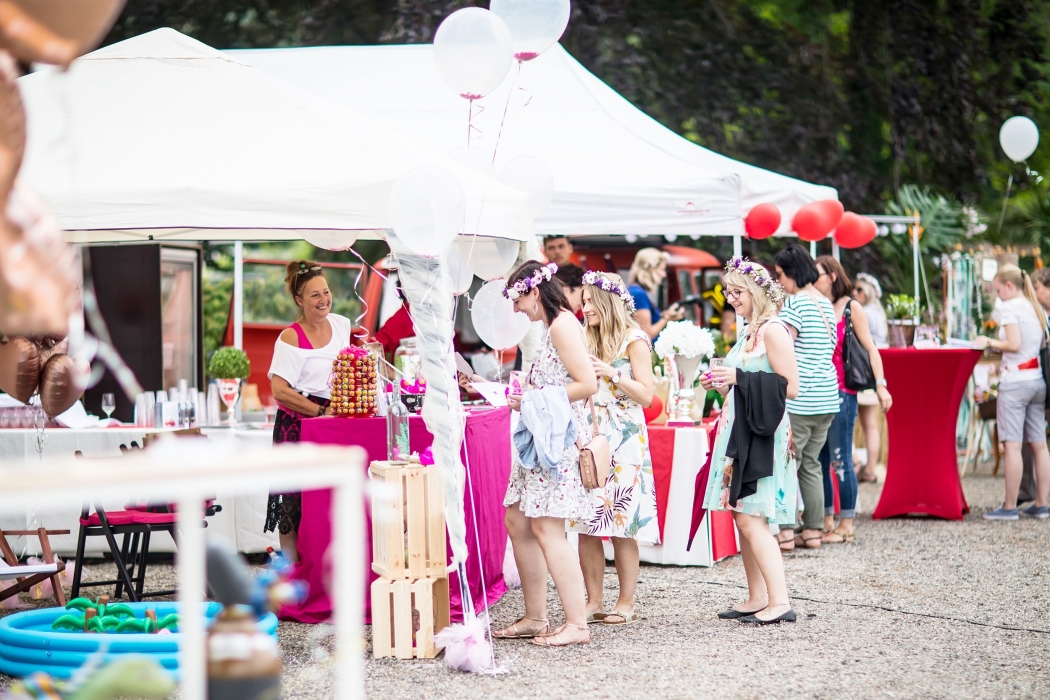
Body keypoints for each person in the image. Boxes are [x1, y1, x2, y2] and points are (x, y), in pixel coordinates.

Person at [495, 261, 598, 646]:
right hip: (541, 438)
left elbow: (587, 384)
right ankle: (536, 616)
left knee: (547, 528)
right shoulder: (552, 327)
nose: (516, 309)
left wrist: (536, 397)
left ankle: (576, 625)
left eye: (518, 299)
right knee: (518, 521)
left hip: (557, 443)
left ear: (535, 292)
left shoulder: (562, 326)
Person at [700, 257, 798, 623]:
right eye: (728, 291)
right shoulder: (749, 330)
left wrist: (739, 378)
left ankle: (780, 600)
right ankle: (758, 596)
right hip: (740, 426)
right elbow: (745, 374)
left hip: (761, 433)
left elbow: (793, 387)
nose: (730, 298)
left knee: (752, 516)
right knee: (742, 513)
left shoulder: (774, 330)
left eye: (737, 291)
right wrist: (723, 381)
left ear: (756, 291)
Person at [570, 271, 658, 627]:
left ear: (606, 302)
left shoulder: (634, 339)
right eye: (584, 301)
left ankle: (625, 601)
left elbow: (648, 396)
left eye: (590, 301)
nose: (584, 307)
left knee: (622, 522)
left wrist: (611, 372)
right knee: (587, 521)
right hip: (591, 435)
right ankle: (592, 600)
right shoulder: (583, 338)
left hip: (625, 437)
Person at [265, 261, 353, 561]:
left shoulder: (342, 324)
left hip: (333, 421)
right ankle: (291, 571)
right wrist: (318, 413)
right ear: (299, 300)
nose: (323, 300)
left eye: (326, 292)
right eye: (314, 295)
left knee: (326, 497)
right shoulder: (290, 337)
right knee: (292, 500)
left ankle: (322, 566)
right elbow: (279, 390)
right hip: (297, 423)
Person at [814, 257, 893, 543]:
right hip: (816, 392)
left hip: (842, 392)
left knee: (840, 458)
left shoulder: (851, 307)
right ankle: (825, 520)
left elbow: (871, 349)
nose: (812, 278)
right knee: (818, 460)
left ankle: (846, 521)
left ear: (833, 276)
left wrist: (881, 386)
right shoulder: (813, 304)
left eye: (818, 274)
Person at [773, 244, 840, 550]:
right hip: (827, 396)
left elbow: (783, 346)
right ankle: (812, 531)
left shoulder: (795, 305)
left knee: (787, 462)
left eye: (780, 275)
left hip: (801, 398)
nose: (779, 282)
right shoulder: (825, 303)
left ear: (792, 273)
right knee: (811, 464)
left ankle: (786, 531)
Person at [973, 264, 1050, 519]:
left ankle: (1009, 507)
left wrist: (990, 341)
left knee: (1013, 446)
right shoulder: (1035, 306)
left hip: (1015, 383)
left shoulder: (1009, 308)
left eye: (997, 290)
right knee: (1039, 445)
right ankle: (1041, 503)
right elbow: (1037, 345)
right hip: (1036, 380)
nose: (997, 296)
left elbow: (1014, 344)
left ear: (1008, 285)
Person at [851, 273, 888, 483]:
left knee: (853, 420)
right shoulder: (879, 313)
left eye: (859, 290)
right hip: (874, 372)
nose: (855, 294)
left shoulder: (863, 313)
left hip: (861, 370)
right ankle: (870, 469)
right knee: (870, 423)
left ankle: (856, 460)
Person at [627, 248, 684, 339]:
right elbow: (647, 333)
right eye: (662, 269)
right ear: (651, 270)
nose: (664, 274)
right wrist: (667, 318)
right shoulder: (639, 295)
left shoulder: (635, 291)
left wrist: (666, 314)